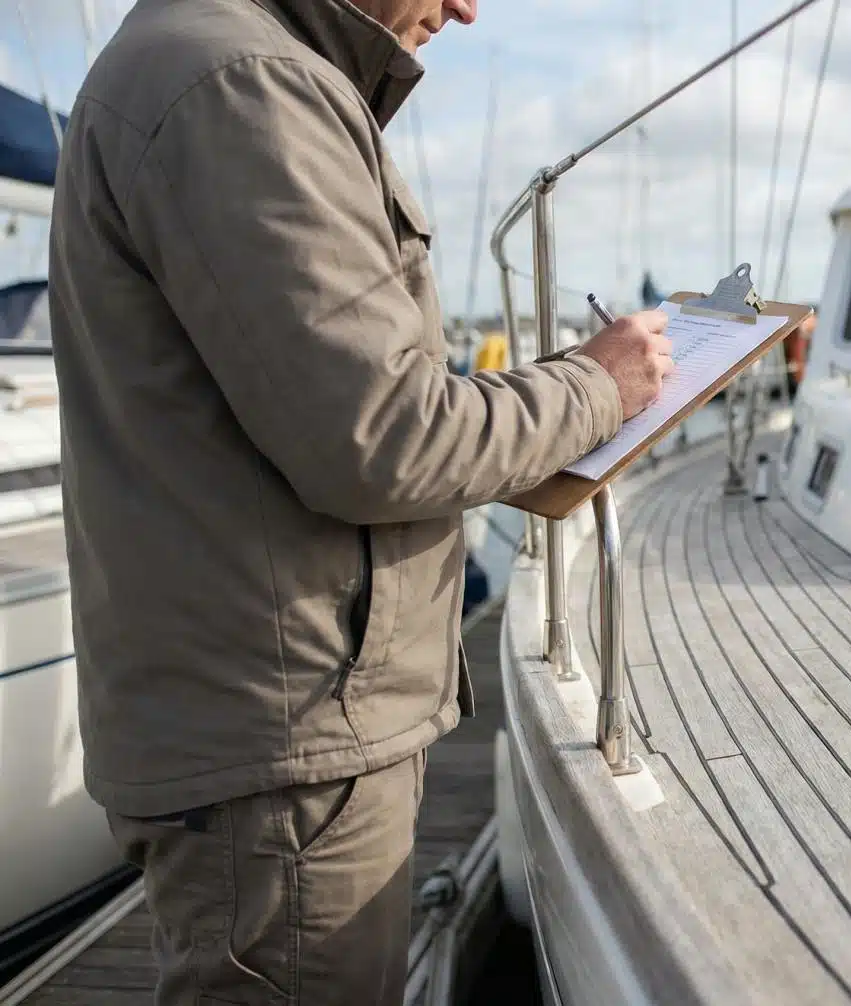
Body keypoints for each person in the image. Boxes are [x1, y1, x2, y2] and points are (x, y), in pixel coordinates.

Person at [47, 0, 674, 1002]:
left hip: (273, 736)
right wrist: (599, 387)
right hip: (286, 756)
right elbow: (385, 436)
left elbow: (346, 410)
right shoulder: (242, 85)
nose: (464, 9)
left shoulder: (205, 62)